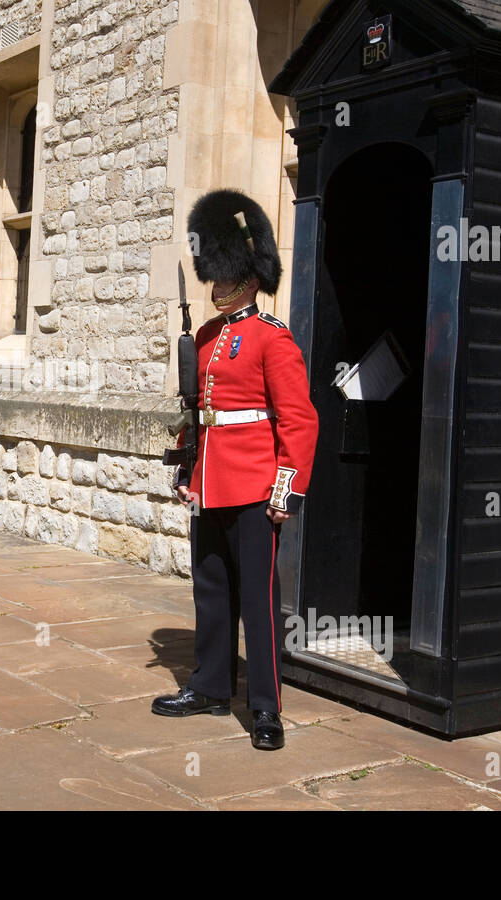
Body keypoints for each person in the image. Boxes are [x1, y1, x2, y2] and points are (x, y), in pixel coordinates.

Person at [151, 188, 319, 751]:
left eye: (223, 278)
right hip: (212, 481)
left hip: (253, 485)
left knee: (258, 599)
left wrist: (286, 489)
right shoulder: (202, 339)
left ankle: (266, 706)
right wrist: (185, 466)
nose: (215, 287)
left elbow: (298, 420)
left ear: (246, 277)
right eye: (212, 278)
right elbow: (197, 412)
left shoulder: (274, 340)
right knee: (211, 589)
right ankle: (210, 686)